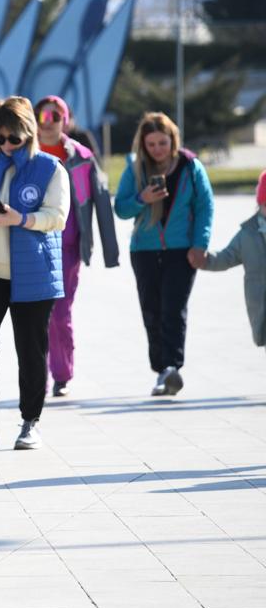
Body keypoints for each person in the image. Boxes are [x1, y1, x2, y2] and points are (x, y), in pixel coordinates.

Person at [0, 97, 69, 452]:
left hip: (34, 274)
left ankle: (30, 422)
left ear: (29, 132)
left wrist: (20, 218)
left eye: (13, 139)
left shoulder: (51, 168)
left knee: (31, 350)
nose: (6, 145)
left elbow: (58, 216)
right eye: (0, 139)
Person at [114, 112, 214, 397]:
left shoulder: (191, 166)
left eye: (162, 142)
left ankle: (171, 367)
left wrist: (200, 244)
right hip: (144, 251)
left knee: (173, 308)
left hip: (181, 251)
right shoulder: (135, 168)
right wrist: (141, 199)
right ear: (142, 145)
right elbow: (120, 208)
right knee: (152, 310)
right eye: (151, 144)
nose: (157, 149)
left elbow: (205, 207)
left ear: (173, 139)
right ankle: (161, 370)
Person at [34, 96, 120, 397]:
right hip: (31, 245)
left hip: (68, 247)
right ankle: (36, 377)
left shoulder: (82, 156)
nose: (48, 122)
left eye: (54, 116)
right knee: (34, 315)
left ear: (66, 120)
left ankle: (62, 374)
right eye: (41, 116)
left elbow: (101, 200)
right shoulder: (23, 153)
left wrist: (110, 251)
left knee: (60, 313)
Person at [200, 170, 266, 353]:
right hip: (262, 306)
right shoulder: (248, 235)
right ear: (260, 204)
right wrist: (205, 260)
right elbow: (227, 257)